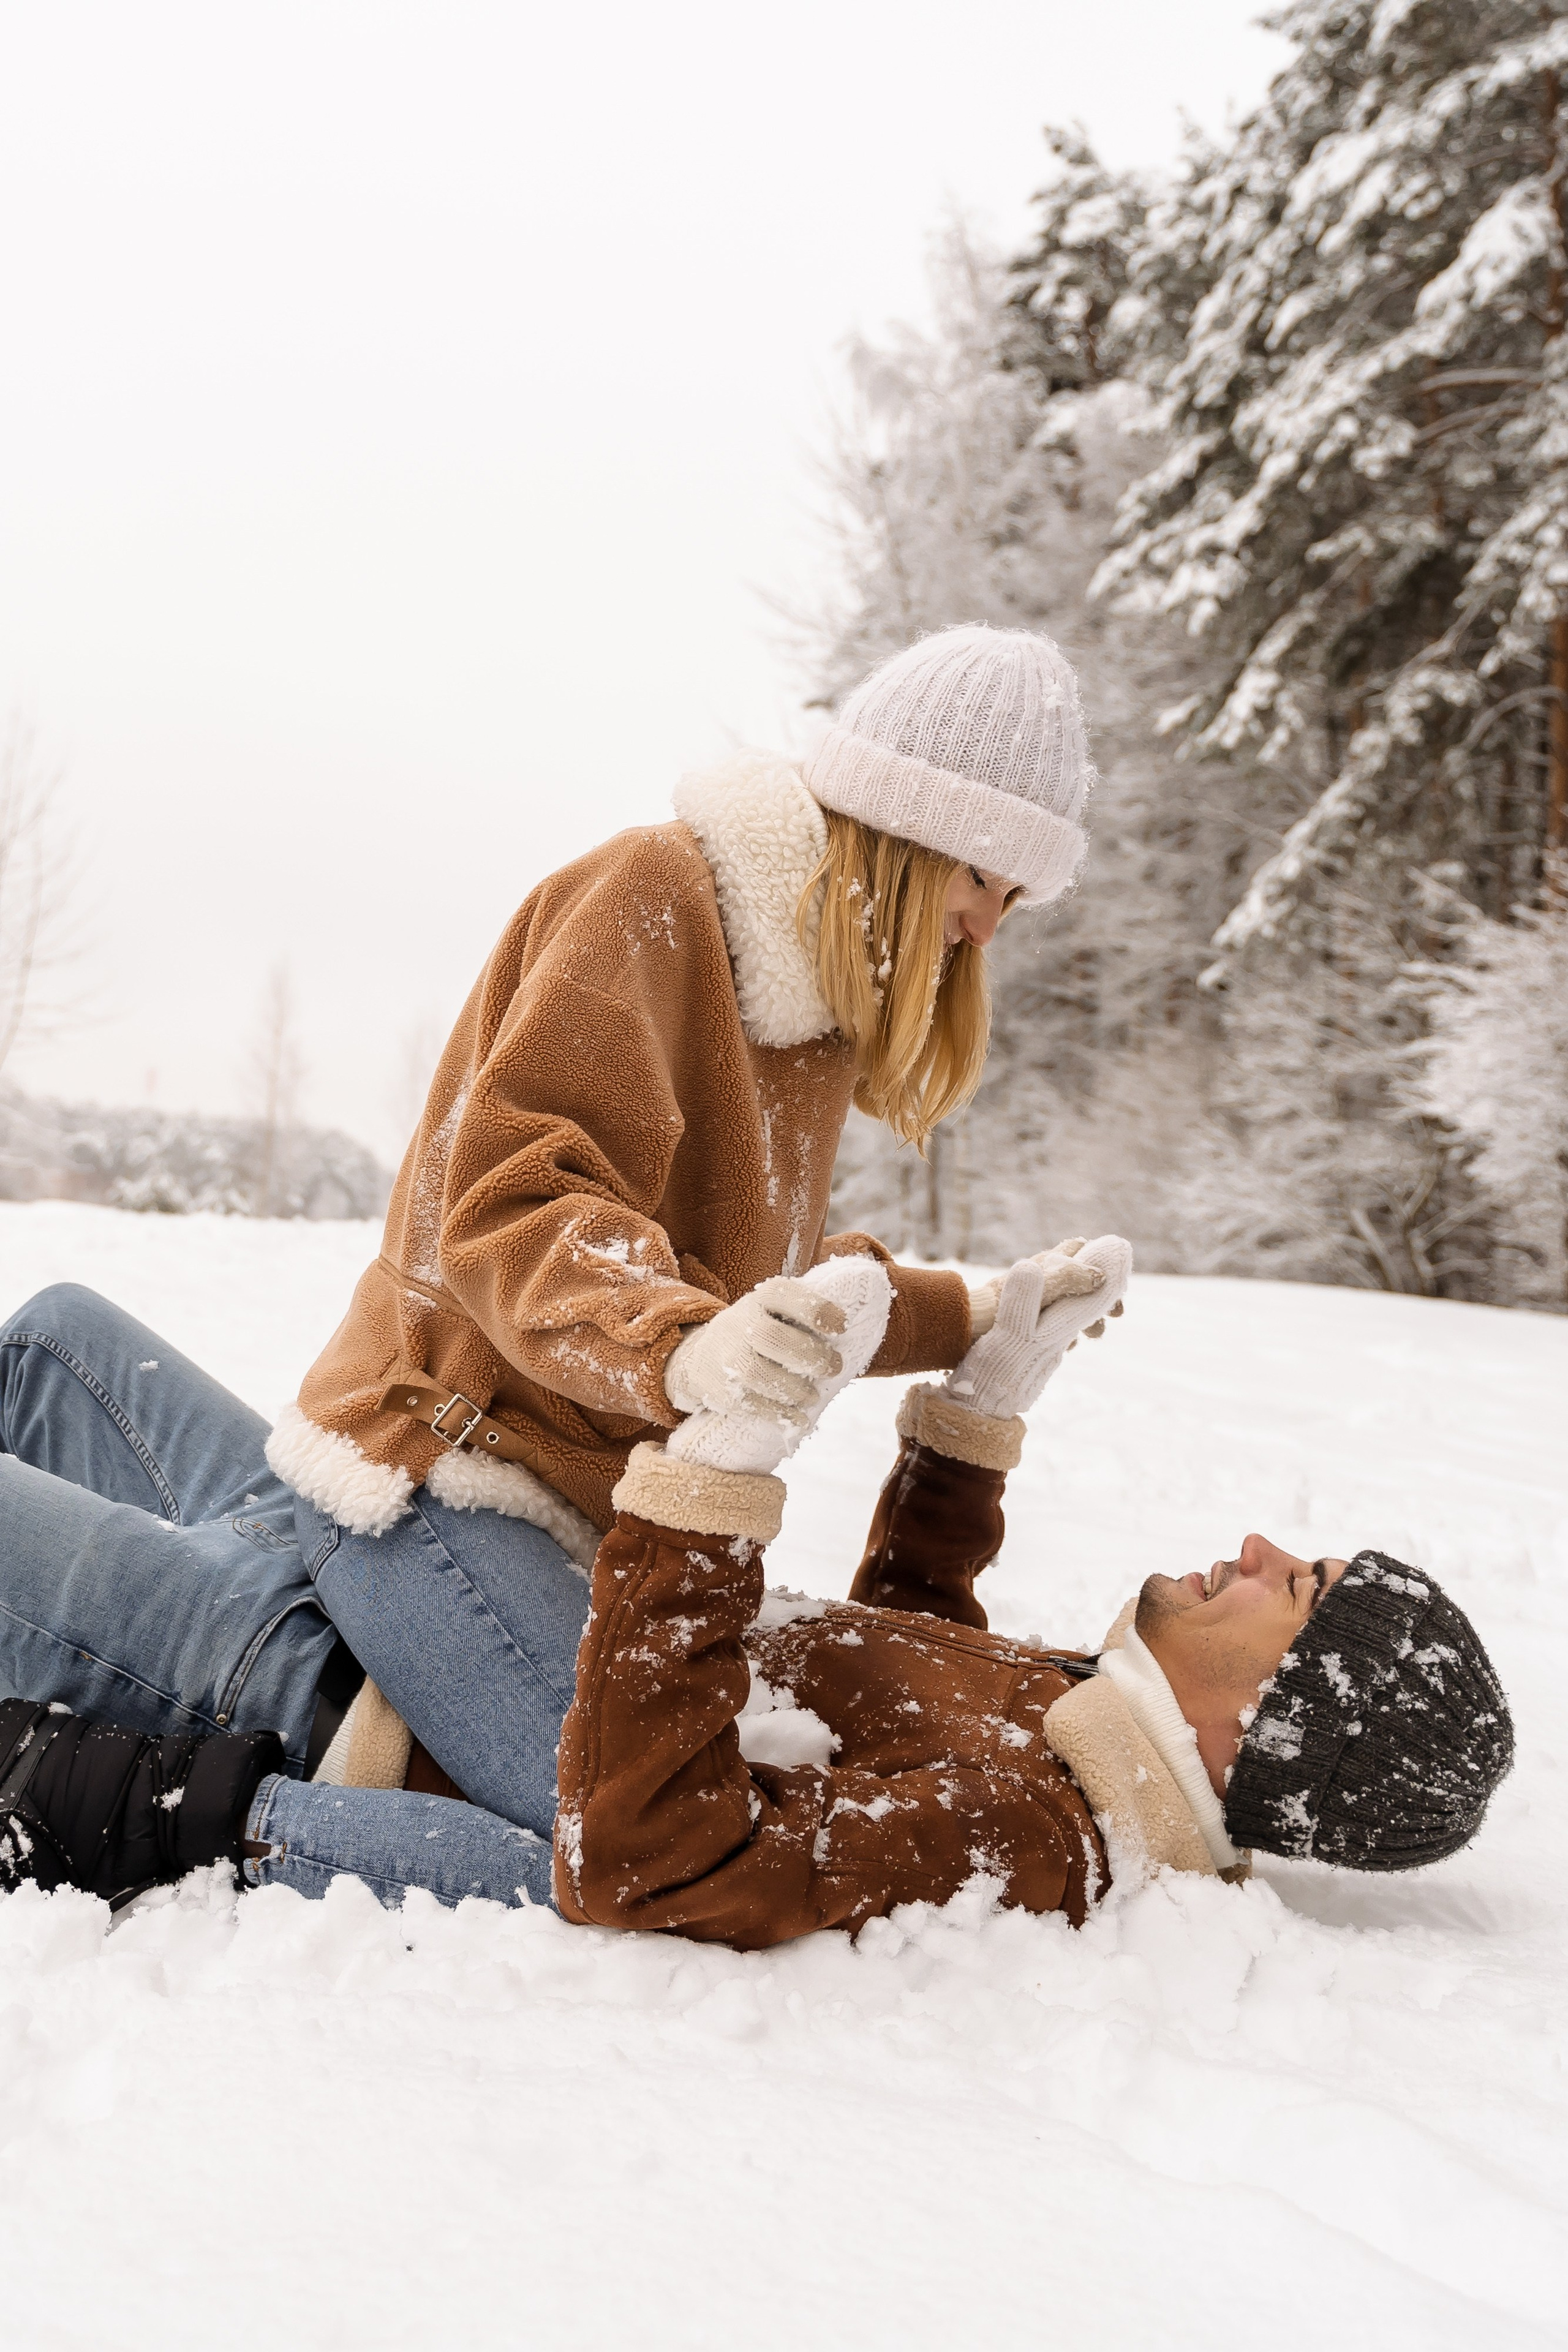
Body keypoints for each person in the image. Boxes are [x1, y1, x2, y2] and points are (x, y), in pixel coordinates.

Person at [0, 622, 1098, 1856]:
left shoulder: (807, 1015)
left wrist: (982, 1315)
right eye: (981, 882)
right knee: (597, 1818)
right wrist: (682, 1345)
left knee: (577, 1754)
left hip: (554, 1499)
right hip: (447, 1465)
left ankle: (54, 1378)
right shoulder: (658, 900)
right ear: (905, 837)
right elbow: (516, 1197)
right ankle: (176, 1810)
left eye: (1012, 897)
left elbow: (768, 1294)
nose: (989, 928)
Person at [0, 1242, 1514, 1938]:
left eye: (1295, 1587)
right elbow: (884, 1670)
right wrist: (973, 1426)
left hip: (326, 1673)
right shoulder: (1081, 1742)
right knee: (61, 1337)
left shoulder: (1039, 1836)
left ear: (1279, 1717)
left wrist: (715, 1480)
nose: (1254, 1548)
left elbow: (667, 1848)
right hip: (403, 1581)